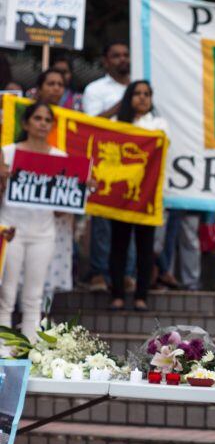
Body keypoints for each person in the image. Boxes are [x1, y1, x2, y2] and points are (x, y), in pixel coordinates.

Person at [0, 103, 67, 340]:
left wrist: (78, 191)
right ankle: (3, 350)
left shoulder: (61, 158)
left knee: (33, 297)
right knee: (6, 296)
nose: (42, 123)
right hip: (10, 230)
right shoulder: (7, 153)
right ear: (26, 123)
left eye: (47, 120)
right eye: (37, 118)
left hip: (43, 234)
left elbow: (61, 211)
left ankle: (30, 353)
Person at [109, 81, 168, 311]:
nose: (142, 98)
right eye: (137, 94)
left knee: (145, 247)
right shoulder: (116, 124)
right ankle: (117, 295)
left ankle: (141, 295)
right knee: (119, 245)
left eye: (147, 94)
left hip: (148, 195)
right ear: (128, 97)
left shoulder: (159, 124)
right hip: (121, 194)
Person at [82, 41, 132, 293]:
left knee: (132, 218)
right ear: (105, 61)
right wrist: (124, 105)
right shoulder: (95, 89)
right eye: (116, 56)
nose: (122, 59)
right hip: (104, 165)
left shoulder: (140, 87)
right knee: (101, 221)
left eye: (125, 55)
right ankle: (99, 273)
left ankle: (127, 274)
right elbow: (90, 124)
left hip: (131, 165)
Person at [31, 70, 76, 303]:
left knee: (49, 265)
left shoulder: (74, 121)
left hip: (55, 217)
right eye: (50, 83)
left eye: (60, 84)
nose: (56, 88)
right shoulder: (18, 113)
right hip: (22, 217)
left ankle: (42, 321)